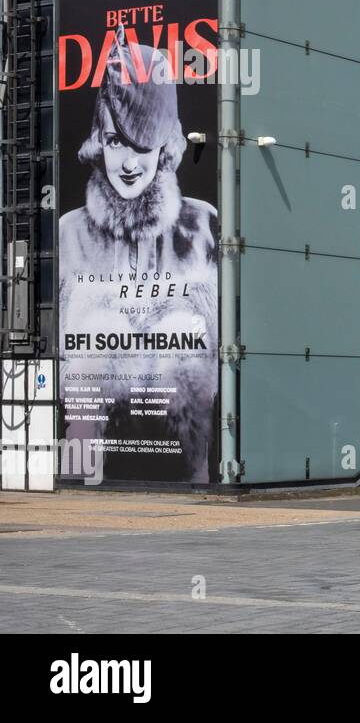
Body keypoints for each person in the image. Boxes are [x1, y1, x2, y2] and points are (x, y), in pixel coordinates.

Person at [59, 27, 218, 483]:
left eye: (142, 145)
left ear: (165, 146)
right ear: (98, 141)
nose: (128, 164)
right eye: (115, 142)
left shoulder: (200, 225)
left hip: (189, 480)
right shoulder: (71, 233)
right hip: (94, 478)